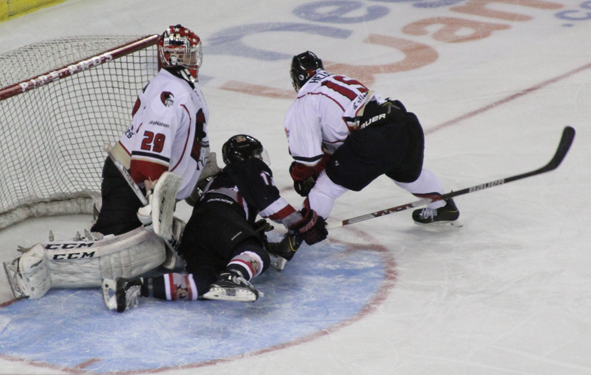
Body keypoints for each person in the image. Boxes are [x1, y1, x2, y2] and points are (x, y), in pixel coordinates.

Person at [100, 134, 327, 312]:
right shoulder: (250, 167)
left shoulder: (222, 178)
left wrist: (257, 232)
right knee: (256, 253)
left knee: (202, 284)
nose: (260, 159)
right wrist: (304, 223)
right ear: (251, 156)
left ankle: (135, 285)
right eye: (257, 154)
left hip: (197, 231)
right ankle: (233, 276)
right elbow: (271, 203)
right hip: (220, 217)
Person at [284, 51, 459, 227]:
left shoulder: (305, 100)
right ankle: (442, 206)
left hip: (375, 138)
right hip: (404, 122)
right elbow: (341, 135)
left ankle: (298, 235)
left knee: (325, 189)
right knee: (410, 177)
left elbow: (310, 158)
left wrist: (301, 175)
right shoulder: (337, 80)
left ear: (297, 78)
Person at [91, 24, 213, 236]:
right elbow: (151, 151)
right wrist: (153, 195)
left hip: (147, 182)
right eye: (190, 55)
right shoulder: (170, 92)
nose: (195, 60)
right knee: (111, 237)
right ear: (175, 58)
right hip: (131, 180)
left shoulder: (186, 85)